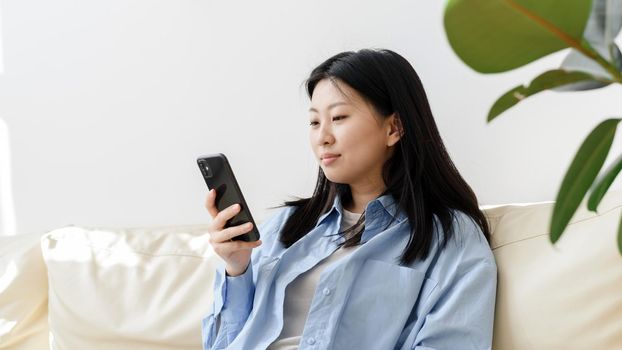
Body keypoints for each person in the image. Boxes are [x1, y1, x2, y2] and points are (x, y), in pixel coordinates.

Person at [201, 48, 497, 350]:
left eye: (338, 117)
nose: (322, 137)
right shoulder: (284, 228)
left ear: (394, 127)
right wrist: (236, 269)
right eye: (315, 122)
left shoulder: (450, 237)